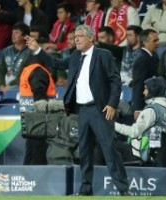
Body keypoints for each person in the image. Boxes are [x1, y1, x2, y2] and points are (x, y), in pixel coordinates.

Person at [25, 24, 129, 195]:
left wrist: (112, 104)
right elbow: (56, 62)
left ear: (91, 38)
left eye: (80, 36)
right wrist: (38, 50)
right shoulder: (75, 56)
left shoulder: (103, 55)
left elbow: (115, 81)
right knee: (85, 152)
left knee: (109, 149)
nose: (76, 39)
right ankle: (86, 190)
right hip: (82, 111)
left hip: (100, 109)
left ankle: (124, 190)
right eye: (75, 36)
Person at [115, 76, 166, 164]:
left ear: (153, 91)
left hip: (137, 153)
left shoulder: (150, 111)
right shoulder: (165, 109)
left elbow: (133, 132)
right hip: (151, 154)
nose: (143, 92)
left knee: (106, 144)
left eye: (146, 89)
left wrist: (112, 124)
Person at [19, 56, 56, 165]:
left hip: (30, 118)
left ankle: (28, 180)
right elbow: (39, 94)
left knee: (31, 153)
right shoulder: (39, 71)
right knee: (39, 156)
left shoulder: (27, 71)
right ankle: (37, 180)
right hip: (39, 121)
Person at [131, 29, 159, 117]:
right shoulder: (142, 59)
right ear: (145, 42)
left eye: (158, 40)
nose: (158, 43)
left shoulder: (153, 56)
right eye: (155, 41)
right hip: (144, 107)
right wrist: (138, 109)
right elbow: (138, 85)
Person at [0, 22, 31, 92]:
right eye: (12, 32)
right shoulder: (6, 51)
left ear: (25, 36)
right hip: (5, 87)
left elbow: (26, 74)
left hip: (23, 86)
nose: (13, 35)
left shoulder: (30, 52)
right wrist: (1, 85)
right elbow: (1, 71)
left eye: (17, 32)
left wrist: (10, 85)